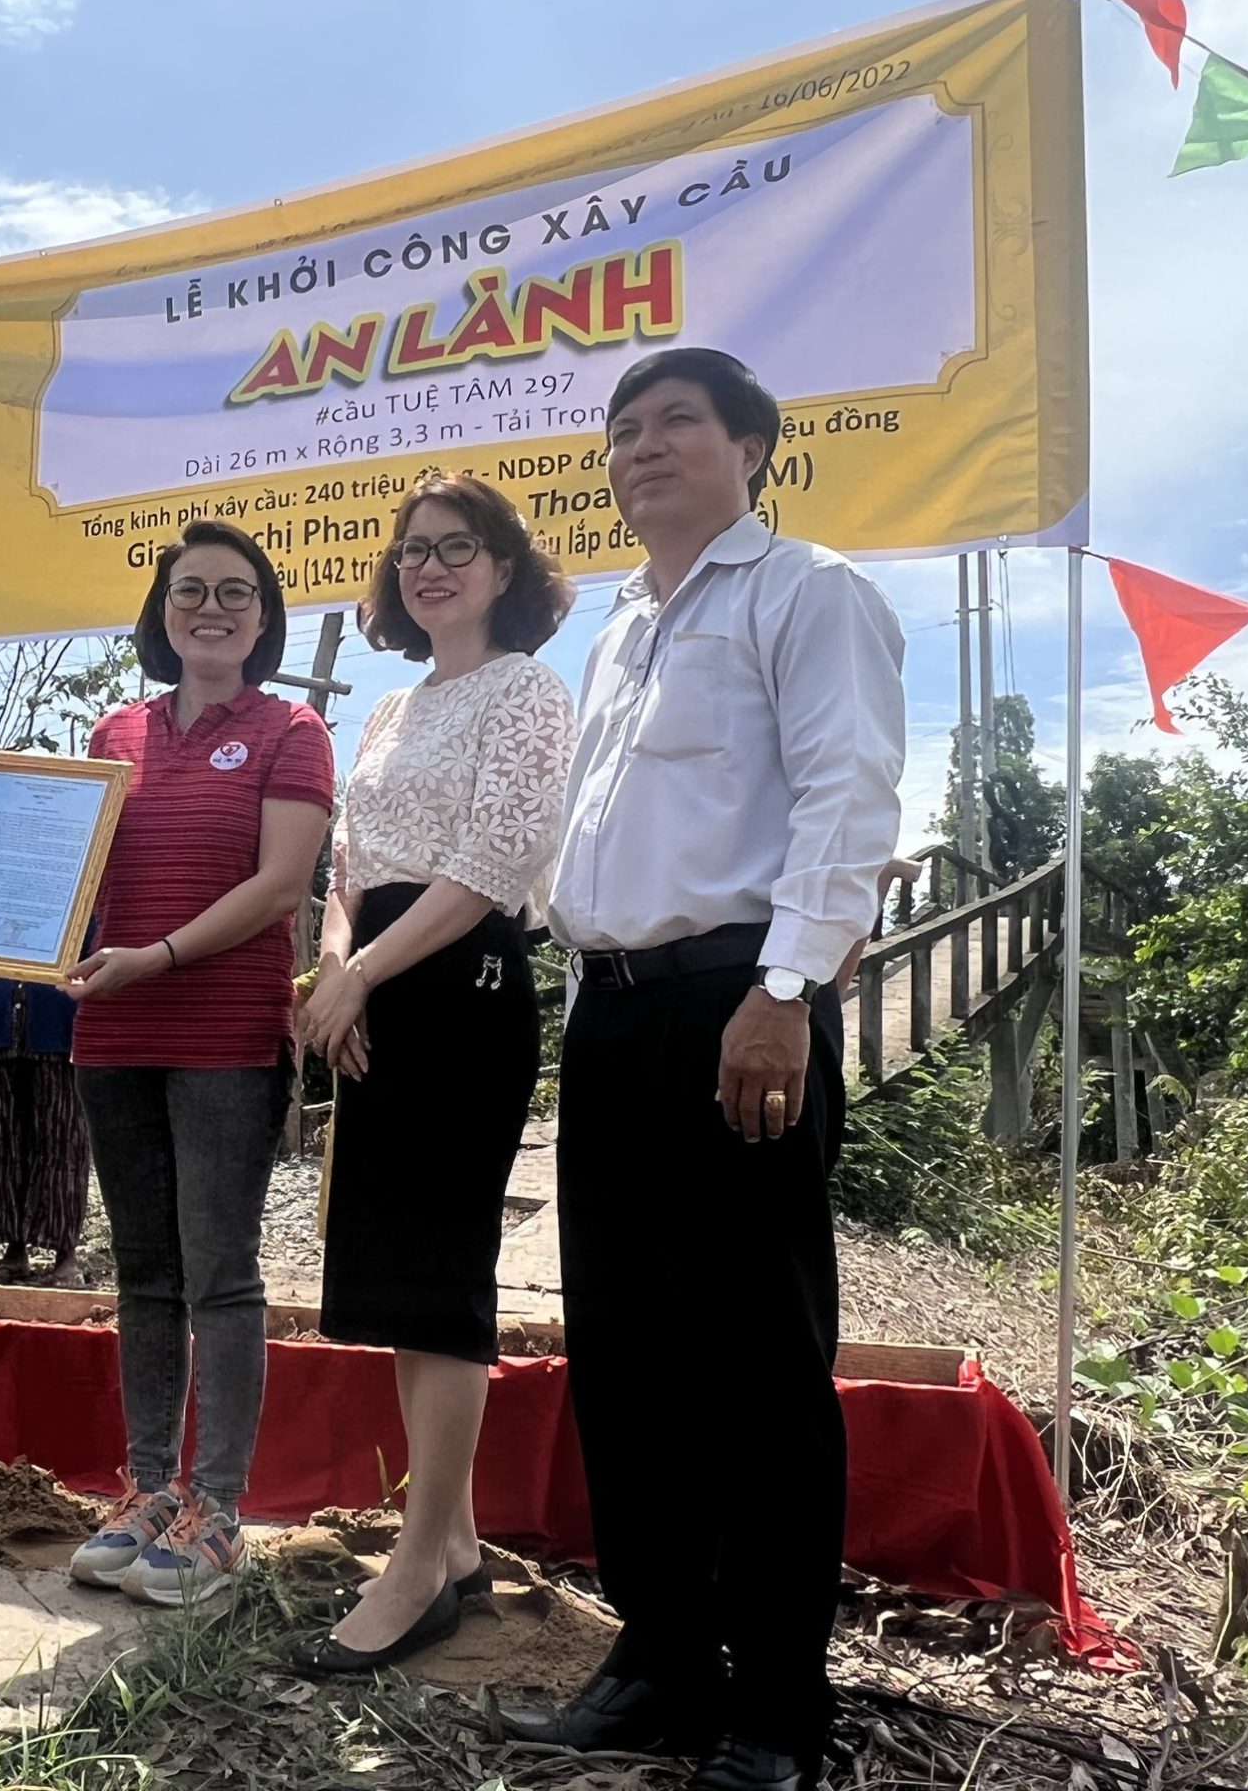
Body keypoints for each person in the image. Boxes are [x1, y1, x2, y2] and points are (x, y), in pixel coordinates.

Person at [505, 348, 904, 1791]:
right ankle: (662, 1658)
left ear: (752, 450)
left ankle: (778, 1707)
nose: (642, 449)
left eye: (677, 421)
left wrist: (787, 988)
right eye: (623, 431)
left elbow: (849, 792)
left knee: (758, 1362)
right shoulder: (617, 629)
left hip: (743, 1003)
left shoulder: (810, 592)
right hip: (612, 1018)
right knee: (625, 1355)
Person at [291, 472, 576, 1675]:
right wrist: (335, 971)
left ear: (505, 569)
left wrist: (363, 974)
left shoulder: (528, 691)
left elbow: (491, 862)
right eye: (412, 550)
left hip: (462, 985)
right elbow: (348, 869)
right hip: (374, 986)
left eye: (457, 547)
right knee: (396, 1279)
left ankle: (415, 1568)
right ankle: (449, 1543)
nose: (430, 567)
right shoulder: (389, 711)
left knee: (442, 1272)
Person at [58, 519, 334, 1606]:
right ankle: (146, 1490)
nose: (210, 609)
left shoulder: (291, 730)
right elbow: (72, 867)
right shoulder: (113, 730)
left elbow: (280, 888)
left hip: (224, 1037)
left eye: (234, 592)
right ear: (161, 613)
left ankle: (217, 1508)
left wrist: (159, 956)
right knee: (143, 1272)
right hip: (112, 1034)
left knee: (219, 1273)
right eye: (189, 591)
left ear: (263, 620)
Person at [0, 977, 89, 1284]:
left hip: (58, 1021)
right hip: (2, 1024)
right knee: (6, 1142)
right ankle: (14, 1249)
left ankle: (65, 1254)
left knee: (63, 1139)